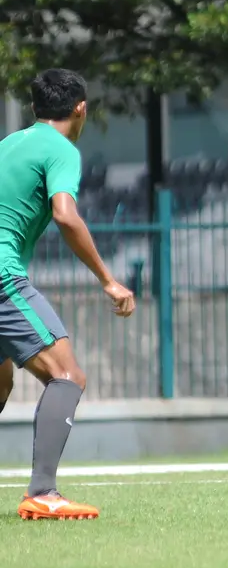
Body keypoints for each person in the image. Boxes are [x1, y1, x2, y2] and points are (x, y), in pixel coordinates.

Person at [0, 68, 136, 519]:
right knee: (67, 375)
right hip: (2, 276)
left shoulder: (10, 144)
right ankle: (43, 492)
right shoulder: (60, 148)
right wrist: (108, 279)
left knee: (0, 381)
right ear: (80, 108)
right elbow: (65, 214)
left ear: (36, 108)